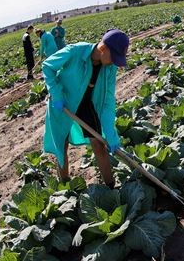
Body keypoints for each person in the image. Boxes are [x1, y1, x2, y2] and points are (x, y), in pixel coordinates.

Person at [42, 29, 130, 188]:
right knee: (62, 146)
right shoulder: (74, 51)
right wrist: (56, 94)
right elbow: (48, 67)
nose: (114, 62)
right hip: (63, 104)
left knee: (99, 144)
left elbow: (108, 101)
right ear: (103, 49)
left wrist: (111, 133)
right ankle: (65, 187)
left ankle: (110, 186)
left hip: (87, 105)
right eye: (114, 57)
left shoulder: (110, 68)